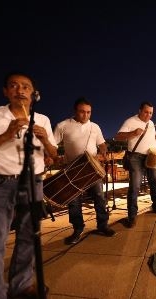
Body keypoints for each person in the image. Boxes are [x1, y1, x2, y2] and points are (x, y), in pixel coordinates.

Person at [0, 72, 58, 298]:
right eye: (14, 86)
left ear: (33, 93)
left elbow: (54, 155)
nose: (20, 90)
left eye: (26, 86)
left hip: (33, 181)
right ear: (5, 91)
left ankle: (22, 285)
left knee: (29, 236)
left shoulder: (42, 119)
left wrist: (45, 139)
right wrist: (7, 135)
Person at [54, 98, 116, 245]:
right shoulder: (63, 125)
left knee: (99, 197)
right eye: (82, 112)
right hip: (72, 169)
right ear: (75, 111)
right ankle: (77, 229)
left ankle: (103, 225)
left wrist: (104, 152)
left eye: (88, 112)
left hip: (91, 169)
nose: (86, 115)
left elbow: (101, 144)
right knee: (74, 202)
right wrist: (54, 157)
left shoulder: (95, 126)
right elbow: (52, 145)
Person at [115, 102, 156, 228]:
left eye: (151, 113)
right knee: (135, 186)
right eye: (146, 112)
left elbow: (152, 139)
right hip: (135, 157)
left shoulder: (151, 124)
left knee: (155, 182)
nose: (148, 115)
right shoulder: (130, 121)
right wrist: (133, 133)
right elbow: (118, 137)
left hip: (150, 155)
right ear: (140, 110)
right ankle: (132, 216)